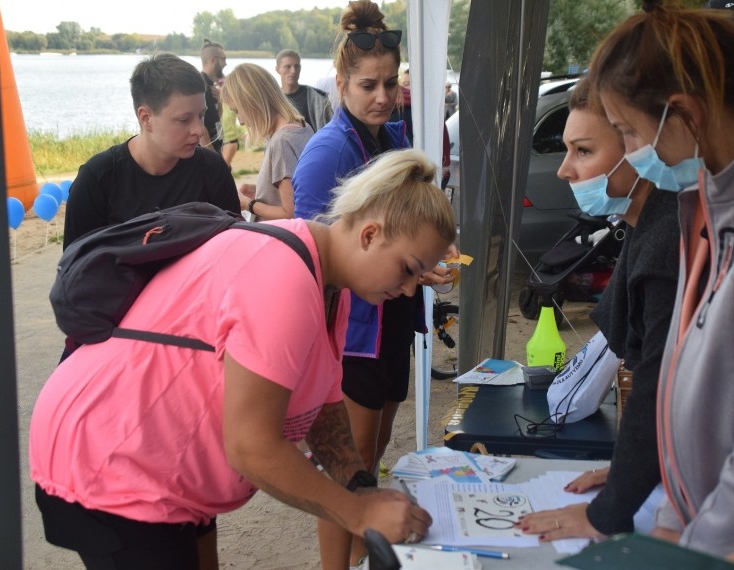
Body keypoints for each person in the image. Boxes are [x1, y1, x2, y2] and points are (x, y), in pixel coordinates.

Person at [30, 149, 452, 570]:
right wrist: (358, 514)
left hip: (161, 464)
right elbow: (252, 446)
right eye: (409, 269)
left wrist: (360, 487)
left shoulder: (329, 285)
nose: (412, 290)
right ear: (369, 235)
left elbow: (325, 409)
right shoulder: (284, 277)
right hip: (110, 458)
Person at [588, 0, 734, 559]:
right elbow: (688, 363)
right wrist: (671, 516)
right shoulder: (711, 186)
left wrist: (692, 546)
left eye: (627, 133)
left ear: (684, 113)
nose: (632, 155)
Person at [292, 2, 456, 567]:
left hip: (390, 316)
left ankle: (364, 557)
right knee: (350, 464)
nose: (383, 96)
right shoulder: (328, 151)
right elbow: (313, 259)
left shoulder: (392, 136)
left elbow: (403, 229)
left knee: (376, 448)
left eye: (391, 83)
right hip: (352, 331)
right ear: (340, 83)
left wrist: (426, 257)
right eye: (368, 85)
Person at [518, 78, 679, 541]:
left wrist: (604, 513)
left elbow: (660, 383)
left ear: (639, 148)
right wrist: (635, 469)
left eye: (584, 151)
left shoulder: (667, 238)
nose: (564, 170)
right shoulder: (650, 224)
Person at [62, 53, 238, 248]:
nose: (198, 129)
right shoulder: (97, 178)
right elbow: (76, 267)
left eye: (201, 115)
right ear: (145, 118)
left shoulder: (212, 169)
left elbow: (234, 249)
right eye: (184, 119)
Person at [222, 63, 314, 221]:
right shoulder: (302, 126)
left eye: (238, 111)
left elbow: (290, 213)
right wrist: (260, 192)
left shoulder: (282, 141)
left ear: (251, 102)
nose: (241, 121)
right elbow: (295, 193)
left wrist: (248, 204)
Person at [275, 49, 333, 132]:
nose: (293, 71)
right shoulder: (272, 99)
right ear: (277, 69)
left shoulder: (319, 99)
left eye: (296, 66)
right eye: (287, 66)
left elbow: (331, 129)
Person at [199, 39, 226, 153]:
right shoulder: (201, 85)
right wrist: (212, 156)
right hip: (209, 152)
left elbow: (216, 117)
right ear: (213, 60)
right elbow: (199, 122)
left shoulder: (211, 85)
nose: (225, 63)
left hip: (217, 146)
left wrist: (220, 101)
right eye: (223, 59)